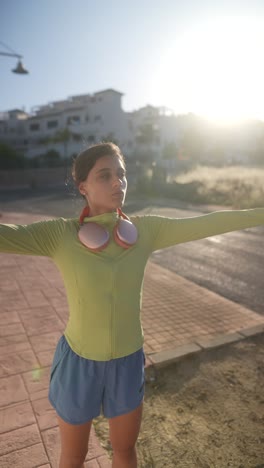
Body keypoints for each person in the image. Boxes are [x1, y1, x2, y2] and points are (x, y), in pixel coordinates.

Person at [0, 141, 263, 468]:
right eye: (105, 176)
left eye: (121, 175)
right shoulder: (59, 235)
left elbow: (209, 222)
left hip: (127, 362)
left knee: (124, 451)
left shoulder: (146, 230)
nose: (117, 183)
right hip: (79, 362)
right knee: (73, 455)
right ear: (83, 187)